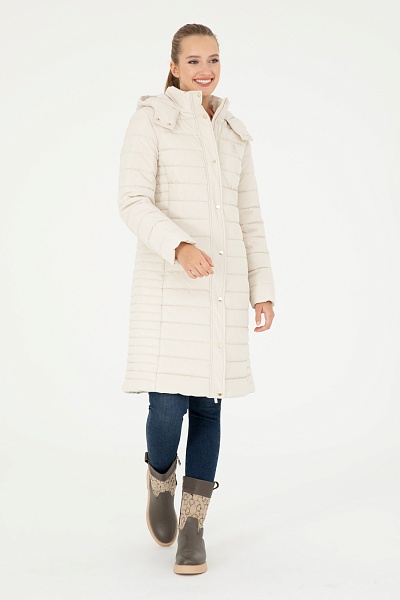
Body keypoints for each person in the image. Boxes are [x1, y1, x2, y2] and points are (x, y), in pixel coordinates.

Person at [117, 23, 276, 575]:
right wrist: (178, 246)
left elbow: (250, 217)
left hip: (223, 288)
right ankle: (160, 477)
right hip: (170, 285)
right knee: (167, 406)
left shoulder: (233, 131)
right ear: (174, 66)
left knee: (209, 407)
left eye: (213, 60)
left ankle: (193, 527)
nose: (205, 71)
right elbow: (132, 200)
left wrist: (261, 287)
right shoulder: (151, 120)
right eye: (193, 61)